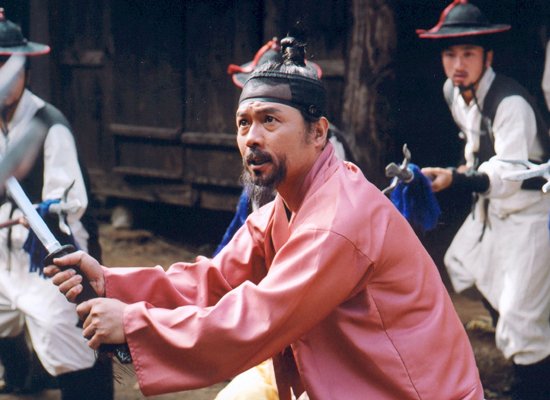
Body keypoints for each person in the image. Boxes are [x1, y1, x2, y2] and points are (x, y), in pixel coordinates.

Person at [46, 36, 483, 400]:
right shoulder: (286, 206)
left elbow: (260, 318)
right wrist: (111, 283)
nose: (252, 138)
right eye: (243, 124)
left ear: (318, 132)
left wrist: (133, 323)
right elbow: (213, 280)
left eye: (270, 121)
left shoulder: (337, 219)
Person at [417, 1, 550, 399]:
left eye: (468, 54)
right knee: (462, 263)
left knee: (522, 322)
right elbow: (476, 152)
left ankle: (530, 386)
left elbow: (509, 176)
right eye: (450, 54)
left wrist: (456, 179)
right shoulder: (454, 92)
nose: (458, 65)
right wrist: (452, 172)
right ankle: (516, 324)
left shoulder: (511, 105)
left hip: (530, 213)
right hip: (493, 209)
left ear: (487, 57)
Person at [0, 10, 113, 399]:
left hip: (49, 255)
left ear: (25, 68)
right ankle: (22, 378)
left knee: (67, 338)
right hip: (4, 253)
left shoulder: (50, 125)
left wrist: (23, 214)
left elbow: (67, 205)